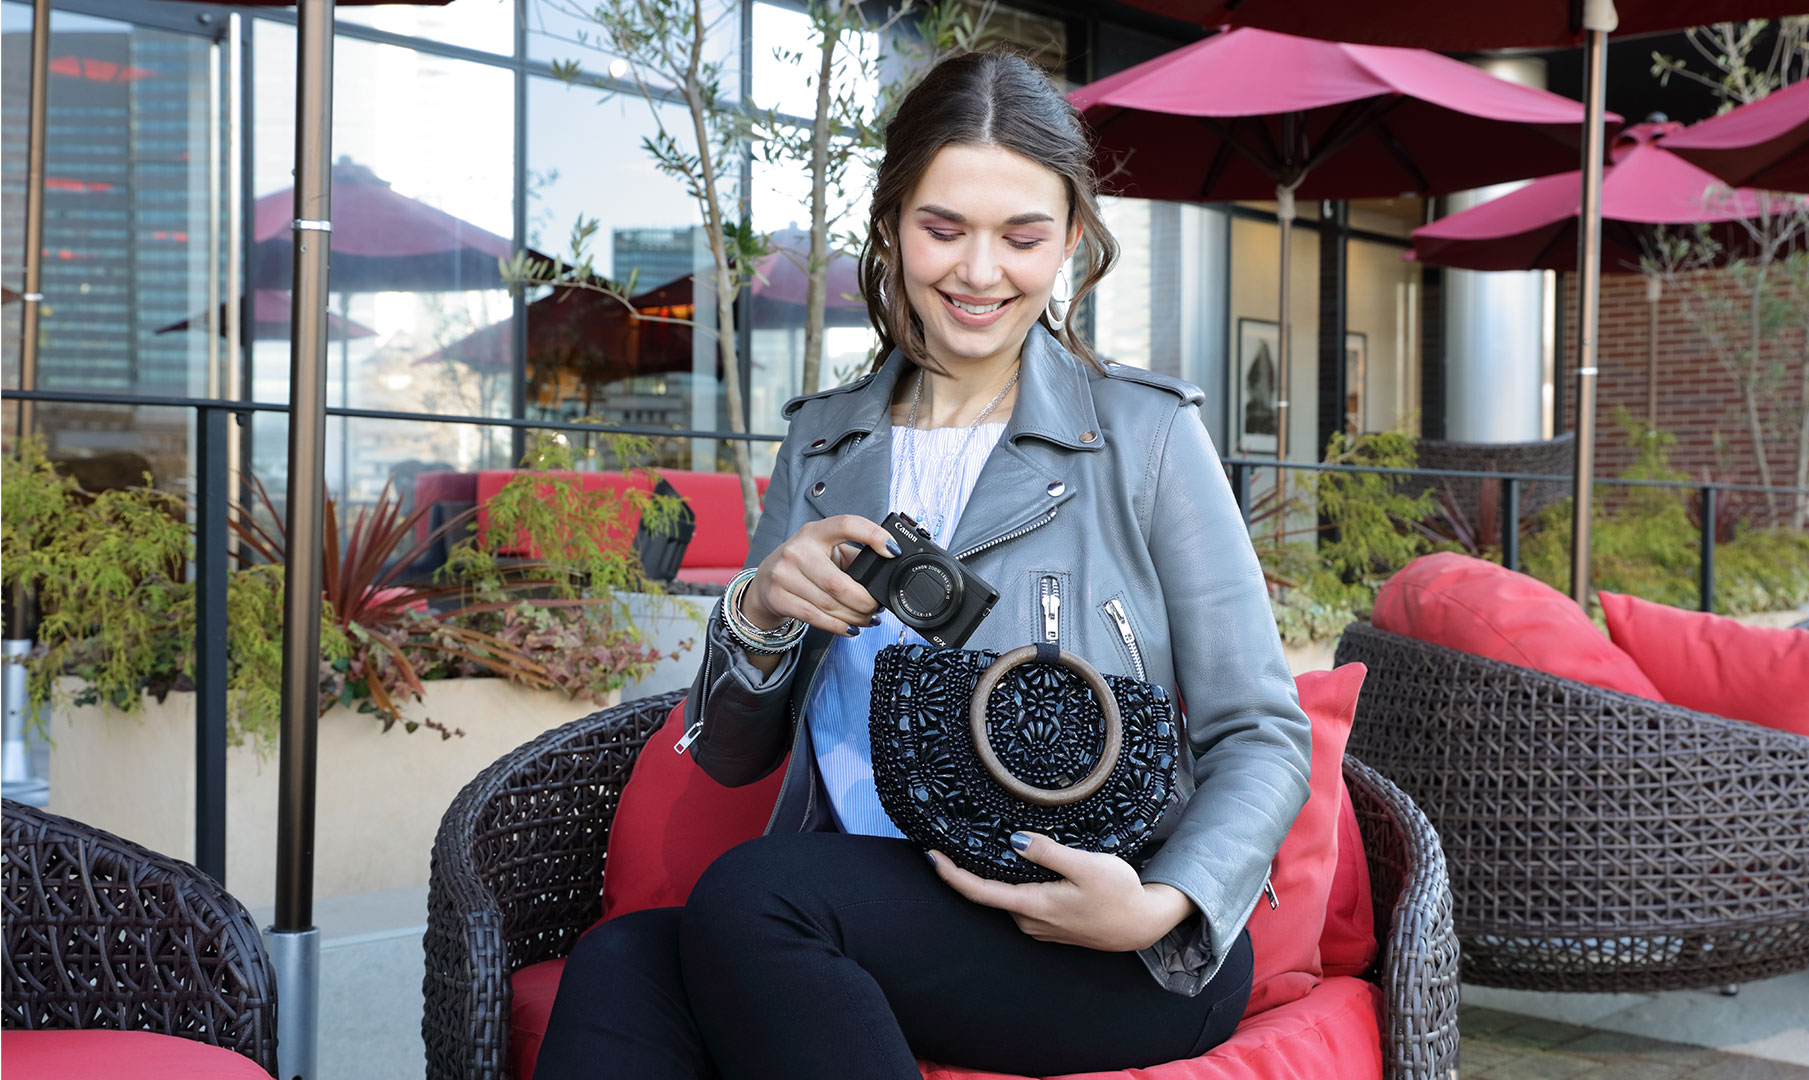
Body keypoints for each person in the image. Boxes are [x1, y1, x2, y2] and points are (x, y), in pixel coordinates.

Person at [534, 49, 1312, 1080]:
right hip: (868, 901)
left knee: (751, 897)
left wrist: (1159, 906)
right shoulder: (822, 445)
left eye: (1022, 236)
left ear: (1071, 240)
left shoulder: (1145, 436)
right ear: (893, 227)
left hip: (1110, 934)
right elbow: (728, 755)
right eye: (943, 229)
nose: (979, 272)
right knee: (623, 959)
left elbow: (1261, 731)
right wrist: (761, 610)